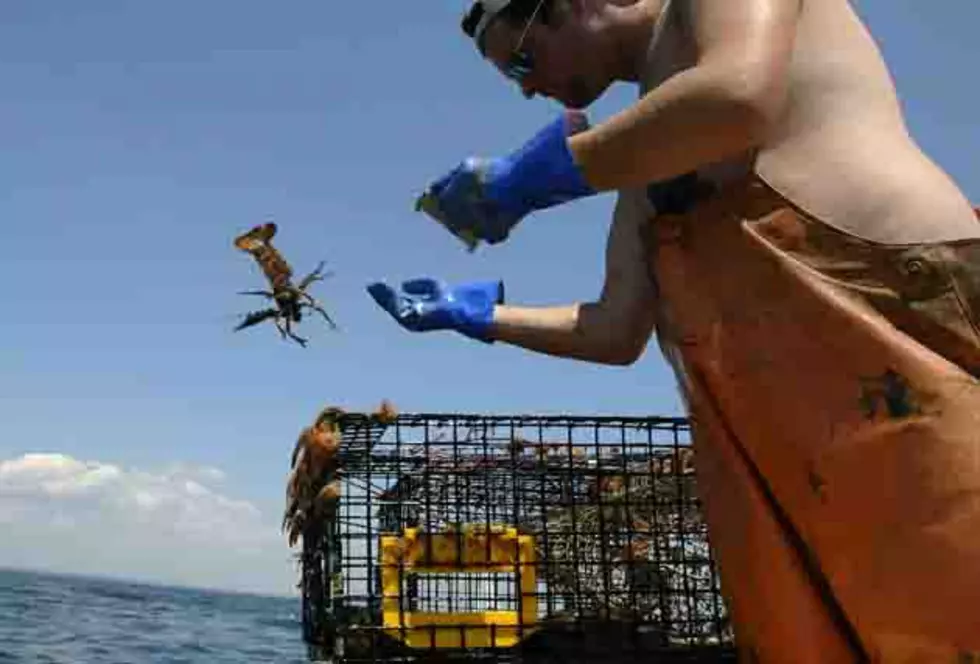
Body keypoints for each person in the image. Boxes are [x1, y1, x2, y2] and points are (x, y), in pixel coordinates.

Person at [366, 0, 980, 660]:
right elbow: (613, 329)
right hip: (791, 431)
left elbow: (737, 98)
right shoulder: (649, 159)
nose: (527, 88)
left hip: (912, 337)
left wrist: (534, 178)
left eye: (522, 59)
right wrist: (477, 316)